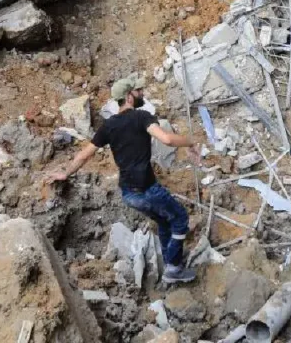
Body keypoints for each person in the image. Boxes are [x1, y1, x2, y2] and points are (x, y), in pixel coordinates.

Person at [44, 75, 199, 285]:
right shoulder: (141, 117)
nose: (142, 94)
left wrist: (65, 173)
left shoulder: (109, 126)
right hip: (147, 189)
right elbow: (167, 139)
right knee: (180, 218)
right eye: (138, 91)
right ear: (129, 96)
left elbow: (83, 155)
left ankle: (171, 263)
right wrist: (191, 142)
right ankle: (173, 268)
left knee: (164, 220)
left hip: (128, 194)